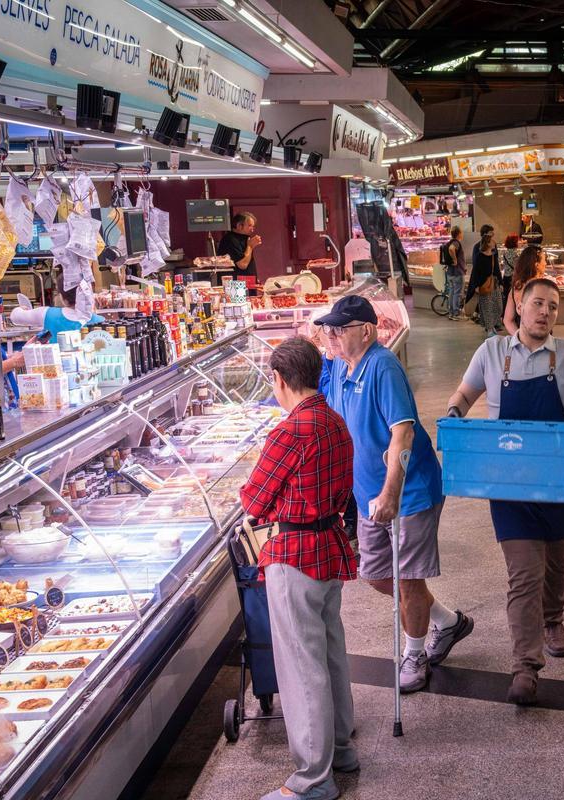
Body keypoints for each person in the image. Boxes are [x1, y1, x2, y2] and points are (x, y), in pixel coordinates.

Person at [446, 278, 564, 705]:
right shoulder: (492, 353)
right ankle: (525, 667)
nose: (545, 313)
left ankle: (554, 619)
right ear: (520, 303)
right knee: (524, 574)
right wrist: (453, 415)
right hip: (511, 484)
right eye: (538, 303)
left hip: (560, 483)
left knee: (558, 563)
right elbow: (463, 395)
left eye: (553, 307)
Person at [316, 295, 474, 693]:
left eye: (339, 329)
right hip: (366, 494)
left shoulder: (382, 368)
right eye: (328, 329)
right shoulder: (337, 366)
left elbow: (401, 433)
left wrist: (390, 494)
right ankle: (447, 622)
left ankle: (415, 653)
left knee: (406, 580)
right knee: (374, 575)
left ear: (366, 331)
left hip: (408, 492)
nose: (331, 336)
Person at [239, 337, 358, 800]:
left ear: (281, 380)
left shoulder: (290, 431)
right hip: (329, 546)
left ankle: (313, 778)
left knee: (301, 667)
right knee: (330, 653)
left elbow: (255, 499)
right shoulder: (333, 421)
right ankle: (342, 749)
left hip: (295, 554)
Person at [10, 286, 105, 341]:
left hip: (56, 370)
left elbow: (15, 317)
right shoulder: (100, 321)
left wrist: (21, 308)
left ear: (62, 297)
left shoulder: (48, 314)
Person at [502, 244, 546, 336]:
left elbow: (507, 320)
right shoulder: (540, 287)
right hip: (541, 339)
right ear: (536, 265)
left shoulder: (517, 287)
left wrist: (519, 338)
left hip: (522, 338)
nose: (545, 263)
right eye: (544, 260)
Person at [467, 230, 502, 338]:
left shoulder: (493, 255)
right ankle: (490, 328)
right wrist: (476, 286)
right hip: (484, 285)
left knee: (498, 306)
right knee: (487, 308)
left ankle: (493, 325)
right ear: (487, 243)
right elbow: (475, 272)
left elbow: (497, 270)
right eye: (491, 241)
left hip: (494, 284)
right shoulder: (479, 257)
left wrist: (501, 283)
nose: (494, 242)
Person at [217, 212, 263, 282]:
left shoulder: (245, 238)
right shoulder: (230, 239)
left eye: (253, 227)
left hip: (248, 282)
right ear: (239, 226)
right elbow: (242, 264)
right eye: (250, 226)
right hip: (236, 285)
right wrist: (250, 246)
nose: (252, 229)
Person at [441, 226, 466, 321]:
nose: (462, 234)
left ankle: (451, 313)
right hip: (457, 272)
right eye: (461, 232)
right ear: (458, 233)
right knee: (457, 293)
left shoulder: (449, 242)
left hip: (450, 273)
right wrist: (455, 260)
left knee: (451, 292)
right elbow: (452, 249)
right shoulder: (455, 242)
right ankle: (455, 313)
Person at [499, 234, 520, 314]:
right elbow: (517, 267)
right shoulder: (516, 254)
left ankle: (504, 314)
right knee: (513, 297)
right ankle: (511, 314)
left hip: (505, 277)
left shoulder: (505, 253)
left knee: (506, 297)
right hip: (513, 278)